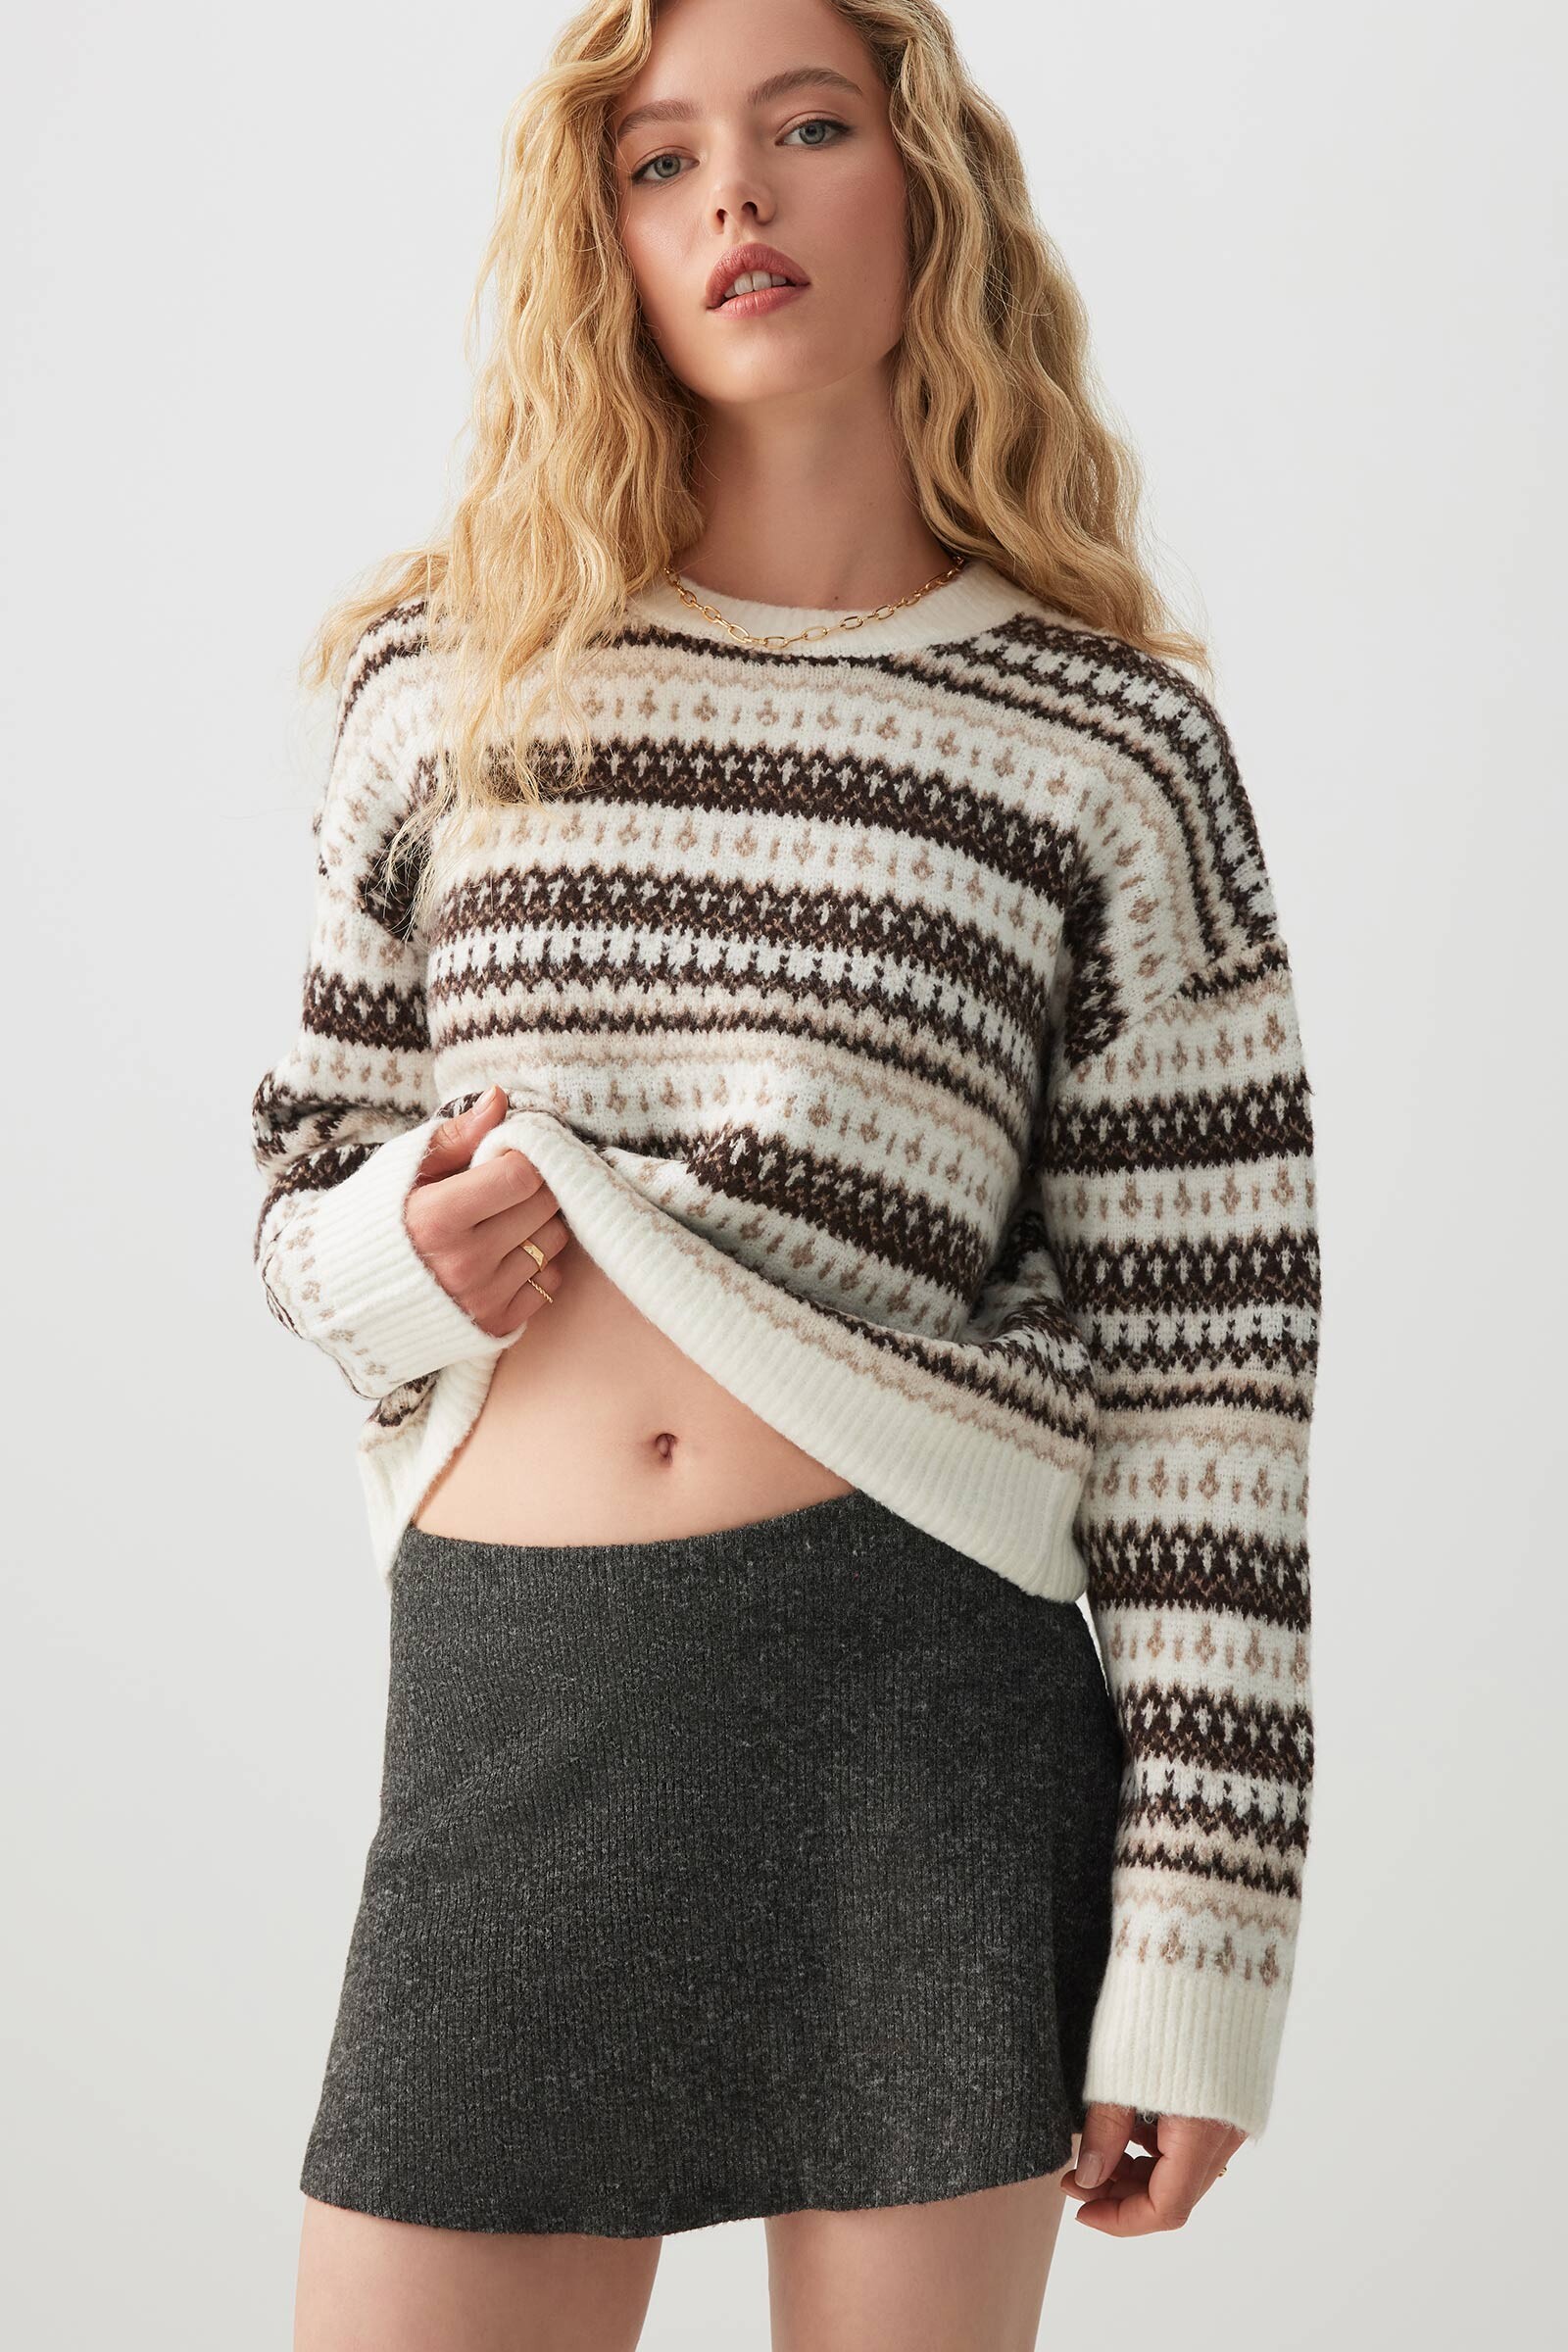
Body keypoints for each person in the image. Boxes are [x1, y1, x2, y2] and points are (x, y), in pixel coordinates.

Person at [252, 3, 1321, 2345]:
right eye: (658, 160)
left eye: (805, 126)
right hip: (527, 1708)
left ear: (921, 178)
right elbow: (301, 1201)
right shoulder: (447, 679)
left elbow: (1210, 1389)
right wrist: (400, 1251)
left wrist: (1198, 1955)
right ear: (603, 240)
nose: (732, 194)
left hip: (920, 1717)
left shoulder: (1106, 744)